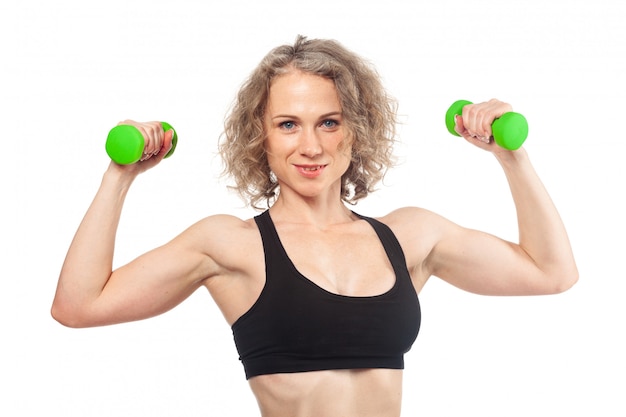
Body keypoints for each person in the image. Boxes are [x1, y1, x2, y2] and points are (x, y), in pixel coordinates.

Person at [51, 35, 578, 417]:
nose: (311, 146)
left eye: (329, 121)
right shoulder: (229, 245)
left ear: (357, 127)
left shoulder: (410, 237)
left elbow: (552, 273)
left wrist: (512, 157)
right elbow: (79, 306)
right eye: (288, 124)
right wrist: (120, 176)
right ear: (260, 136)